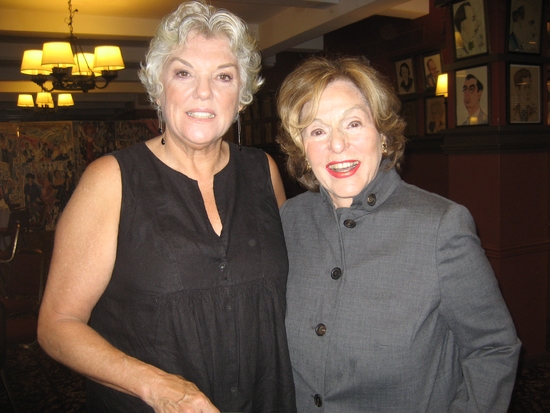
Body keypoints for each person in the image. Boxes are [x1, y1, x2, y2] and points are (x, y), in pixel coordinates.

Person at [37, 2, 296, 412]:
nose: (204, 92)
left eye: (223, 76)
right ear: (158, 85)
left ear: (242, 95)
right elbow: (57, 326)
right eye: (183, 73)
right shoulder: (111, 179)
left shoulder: (263, 170)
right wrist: (156, 387)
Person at [276, 56, 521, 412]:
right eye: (317, 130)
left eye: (354, 123)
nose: (338, 144)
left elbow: (493, 348)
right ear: (302, 148)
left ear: (384, 136)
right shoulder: (289, 221)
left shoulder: (441, 226)